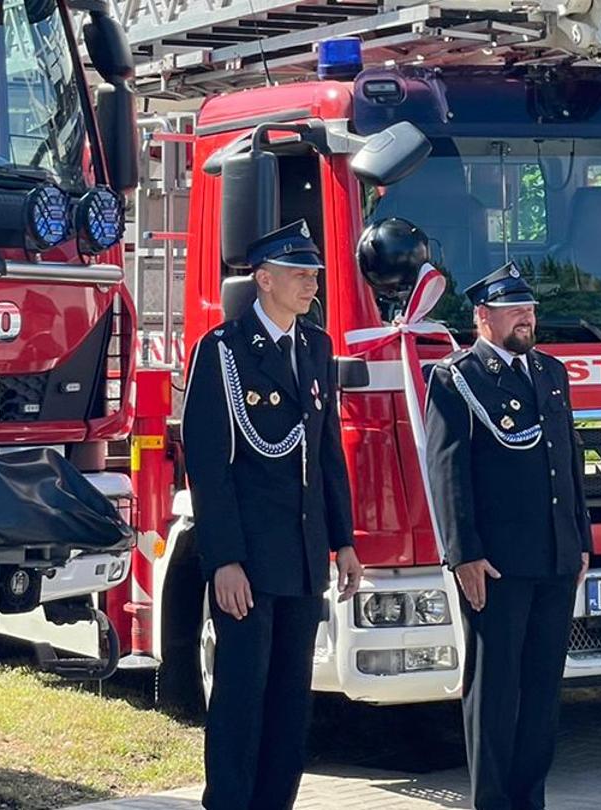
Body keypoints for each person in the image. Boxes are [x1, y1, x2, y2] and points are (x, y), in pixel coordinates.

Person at [182, 220, 363, 810]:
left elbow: (327, 451)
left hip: (305, 555)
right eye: (298, 272)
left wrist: (345, 540)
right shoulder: (224, 351)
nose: (311, 281)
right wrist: (225, 560)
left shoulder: (315, 345)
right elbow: (210, 468)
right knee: (241, 700)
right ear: (262, 279)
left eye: (313, 272)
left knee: (291, 703)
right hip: (252, 562)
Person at [424, 263, 592, 810]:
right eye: (514, 308)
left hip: (555, 556)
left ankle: (530, 798)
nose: (527, 316)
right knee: (496, 691)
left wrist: (581, 539)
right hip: (496, 562)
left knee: (543, 691)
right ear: (482, 316)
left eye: (531, 308)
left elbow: (567, 460)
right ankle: (493, 801)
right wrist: (463, 554)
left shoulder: (549, 372)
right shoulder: (458, 378)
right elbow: (448, 472)